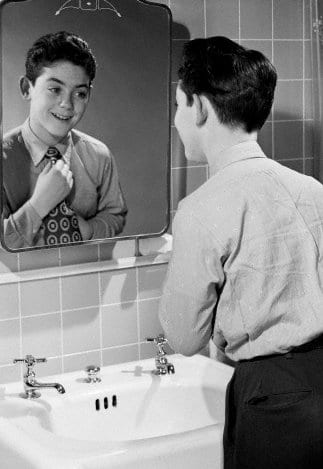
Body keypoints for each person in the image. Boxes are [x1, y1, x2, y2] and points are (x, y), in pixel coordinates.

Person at [159, 36, 323, 468]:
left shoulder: (199, 209)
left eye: (178, 105)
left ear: (199, 108)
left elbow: (183, 338)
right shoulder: (313, 191)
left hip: (273, 398)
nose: (176, 121)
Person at [3, 30, 127, 249]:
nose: (67, 104)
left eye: (80, 93)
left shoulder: (99, 156)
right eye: (54, 89)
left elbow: (115, 215)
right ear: (26, 88)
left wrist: (88, 230)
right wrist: (38, 205)